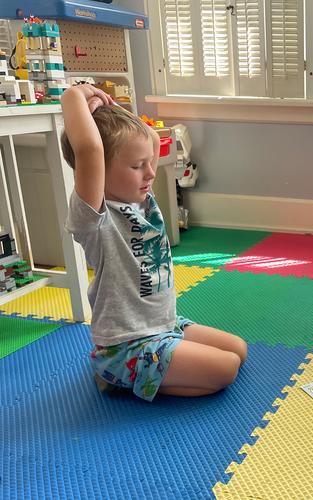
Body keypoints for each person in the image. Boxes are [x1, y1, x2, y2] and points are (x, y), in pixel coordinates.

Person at [61, 84, 247, 401]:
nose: (149, 173)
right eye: (136, 166)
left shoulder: (140, 199)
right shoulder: (96, 217)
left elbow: (146, 136)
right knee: (225, 369)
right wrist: (75, 96)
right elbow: (91, 150)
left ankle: (141, 373)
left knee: (238, 349)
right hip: (130, 343)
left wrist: (109, 108)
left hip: (165, 324)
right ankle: (116, 374)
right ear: (97, 172)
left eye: (148, 162)